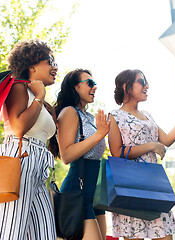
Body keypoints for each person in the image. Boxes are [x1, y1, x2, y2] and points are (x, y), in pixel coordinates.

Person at [108, 69, 175, 240]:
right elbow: (117, 152)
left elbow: (167, 140)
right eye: (141, 81)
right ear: (126, 86)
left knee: (165, 235)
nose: (147, 86)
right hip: (130, 187)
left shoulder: (148, 115)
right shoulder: (115, 116)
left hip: (154, 185)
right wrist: (151, 146)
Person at [0, 39, 58, 240]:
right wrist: (39, 96)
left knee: (44, 234)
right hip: (18, 160)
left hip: (38, 166)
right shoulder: (18, 87)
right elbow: (18, 128)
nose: (55, 66)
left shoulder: (41, 101)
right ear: (31, 65)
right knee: (9, 232)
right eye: (49, 61)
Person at [49, 69, 110, 240]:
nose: (95, 87)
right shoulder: (69, 112)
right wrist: (99, 134)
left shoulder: (89, 116)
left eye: (95, 83)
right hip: (78, 191)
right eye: (89, 83)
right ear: (75, 87)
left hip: (95, 194)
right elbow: (67, 155)